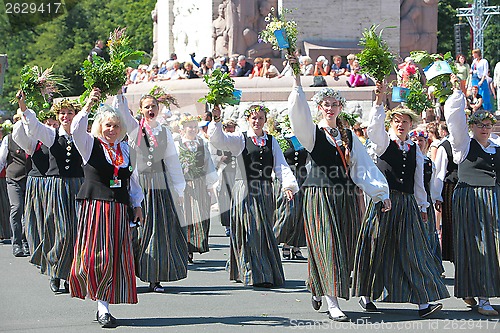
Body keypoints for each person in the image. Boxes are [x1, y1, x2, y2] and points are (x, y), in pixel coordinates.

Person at [288, 67, 391, 321]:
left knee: (345, 245)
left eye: (335, 104)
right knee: (327, 244)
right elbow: (298, 116)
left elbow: (364, 166)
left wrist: (380, 193)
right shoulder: (312, 134)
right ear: (319, 107)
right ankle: (332, 302)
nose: (330, 108)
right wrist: (297, 82)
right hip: (319, 194)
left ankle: (317, 284)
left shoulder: (348, 137)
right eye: (326, 104)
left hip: (345, 196)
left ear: (340, 108)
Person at [353, 81, 449, 318]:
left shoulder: (415, 148)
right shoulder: (384, 143)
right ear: (392, 124)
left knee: (413, 250)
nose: (400, 124)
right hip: (384, 201)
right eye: (397, 121)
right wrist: (378, 101)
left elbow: (418, 180)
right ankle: (366, 294)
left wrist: (422, 204)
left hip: (406, 204)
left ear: (410, 125)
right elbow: (374, 129)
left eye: (405, 122)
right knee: (376, 246)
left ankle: (423, 303)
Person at [69, 88, 144, 328]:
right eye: (108, 126)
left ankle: (104, 306)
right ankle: (101, 306)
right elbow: (75, 129)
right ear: (100, 126)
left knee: (114, 258)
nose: (112, 130)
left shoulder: (125, 150)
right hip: (96, 208)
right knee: (98, 257)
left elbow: (132, 180)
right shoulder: (89, 145)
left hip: (119, 209)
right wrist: (88, 105)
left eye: (116, 126)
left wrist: (137, 204)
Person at [208, 104, 299, 288]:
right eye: (254, 118)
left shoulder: (271, 141)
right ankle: (254, 273)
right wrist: (216, 121)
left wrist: (288, 185)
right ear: (248, 120)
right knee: (251, 229)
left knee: (264, 230)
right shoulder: (240, 139)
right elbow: (219, 140)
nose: (257, 122)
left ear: (265, 120)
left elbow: (280, 165)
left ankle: (264, 270)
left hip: (265, 190)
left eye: (260, 118)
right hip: (245, 189)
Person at [114, 93, 187, 293]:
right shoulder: (136, 129)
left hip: (160, 184)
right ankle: (131, 274)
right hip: (140, 184)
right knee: (138, 231)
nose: (150, 110)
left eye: (153, 106)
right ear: (141, 110)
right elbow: (123, 114)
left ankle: (154, 276)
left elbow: (172, 161)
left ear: (158, 108)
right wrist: (119, 93)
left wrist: (179, 189)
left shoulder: (164, 132)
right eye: (146, 107)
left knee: (158, 230)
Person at [19, 93, 87, 293]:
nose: (66, 116)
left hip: (77, 185)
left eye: (70, 113)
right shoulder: (51, 134)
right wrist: (23, 106)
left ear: (75, 115)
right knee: (59, 231)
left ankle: (70, 274)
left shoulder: (82, 137)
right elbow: (34, 126)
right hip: (56, 186)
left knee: (75, 232)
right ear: (58, 116)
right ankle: (55, 272)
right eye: (63, 113)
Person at [443, 75, 500, 316]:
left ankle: (475, 289)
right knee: (476, 246)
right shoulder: (463, 144)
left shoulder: (497, 146)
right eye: (480, 125)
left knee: (494, 246)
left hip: (494, 198)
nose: (485, 129)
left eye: (488, 125)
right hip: (470, 198)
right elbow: (454, 120)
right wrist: (458, 93)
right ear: (472, 127)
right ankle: (482, 296)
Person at [12, 111, 57, 275]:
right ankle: (41, 255)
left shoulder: (60, 139)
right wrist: (23, 115)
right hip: (37, 182)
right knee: (37, 222)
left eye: (54, 123)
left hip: (54, 184)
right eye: (48, 123)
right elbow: (18, 133)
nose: (51, 126)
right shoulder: (33, 142)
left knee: (52, 223)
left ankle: (54, 257)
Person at [177, 115, 218, 263]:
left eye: (195, 127)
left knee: (199, 216)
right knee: (185, 215)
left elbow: (208, 164)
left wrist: (209, 185)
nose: (193, 129)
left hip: (199, 184)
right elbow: (174, 165)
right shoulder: (178, 145)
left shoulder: (202, 143)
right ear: (183, 129)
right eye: (190, 127)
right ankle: (185, 248)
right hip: (184, 185)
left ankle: (194, 246)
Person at [272, 118, 308, 261]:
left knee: (300, 212)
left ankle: (294, 245)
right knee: (287, 212)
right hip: (286, 177)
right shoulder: (281, 140)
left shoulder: (305, 140)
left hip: (302, 176)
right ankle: (277, 241)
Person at [409, 129, 444, 275]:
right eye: (415, 140)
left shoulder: (429, 163)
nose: (418, 143)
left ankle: (431, 267)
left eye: (421, 140)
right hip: (411, 201)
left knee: (428, 234)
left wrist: (436, 198)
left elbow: (433, 182)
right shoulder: (407, 159)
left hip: (426, 202)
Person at [0, 110, 30, 257]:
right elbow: (1, 160)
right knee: (17, 208)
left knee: (28, 212)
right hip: (14, 179)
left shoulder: (33, 138)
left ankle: (26, 241)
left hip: (30, 179)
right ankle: (16, 243)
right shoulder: (9, 139)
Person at [432, 123, 457, 264]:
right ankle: (455, 257)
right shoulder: (445, 146)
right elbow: (439, 172)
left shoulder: (471, 142)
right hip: (451, 188)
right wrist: (437, 196)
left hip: (470, 189)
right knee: (452, 225)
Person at [214, 120, 238, 237]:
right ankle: (228, 225)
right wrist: (220, 159)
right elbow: (214, 158)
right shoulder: (221, 142)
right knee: (225, 199)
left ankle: (236, 223)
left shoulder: (238, 140)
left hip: (236, 173)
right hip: (224, 173)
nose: (230, 130)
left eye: (232, 127)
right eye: (228, 128)